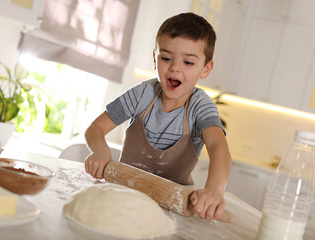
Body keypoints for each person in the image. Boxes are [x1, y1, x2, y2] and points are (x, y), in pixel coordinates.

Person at [84, 12, 232, 221]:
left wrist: (215, 190)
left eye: (188, 62)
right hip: (123, 196)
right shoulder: (143, 94)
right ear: (155, 58)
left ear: (205, 69)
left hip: (172, 210)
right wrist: (100, 151)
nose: (174, 67)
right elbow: (95, 128)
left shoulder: (200, 107)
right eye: (166, 58)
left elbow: (218, 145)